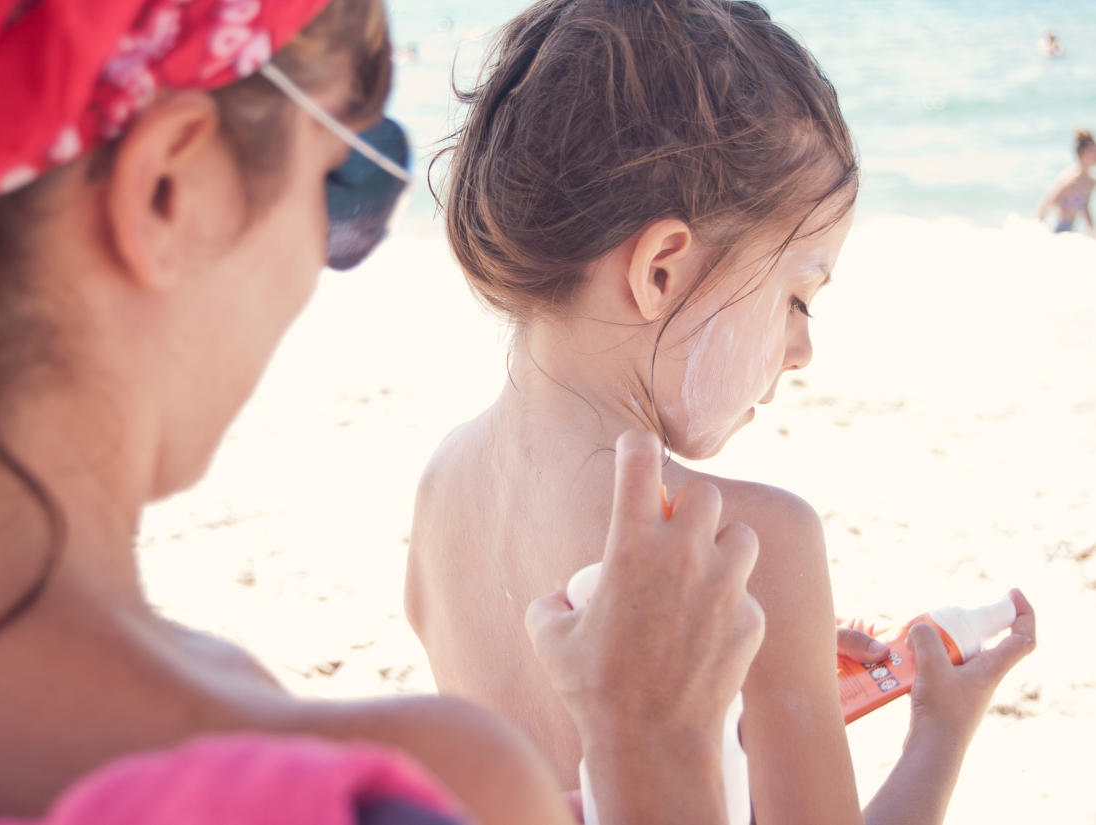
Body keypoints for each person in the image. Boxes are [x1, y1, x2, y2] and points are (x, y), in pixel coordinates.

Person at [0, 1, 766, 823]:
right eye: (349, 182)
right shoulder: (380, 786)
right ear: (174, 192)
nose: (327, 258)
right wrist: (657, 755)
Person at [405, 2, 1038, 824]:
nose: (803, 347)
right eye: (798, 295)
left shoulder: (440, 491)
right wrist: (938, 732)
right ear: (662, 271)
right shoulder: (748, 544)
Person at [1037, 129, 1096, 233]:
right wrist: (1040, 230)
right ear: (1080, 154)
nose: (1095, 155)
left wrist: (1092, 229)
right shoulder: (1069, 179)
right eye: (1092, 151)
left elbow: (1085, 208)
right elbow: (1045, 205)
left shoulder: (1091, 182)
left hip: (1072, 230)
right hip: (1056, 229)